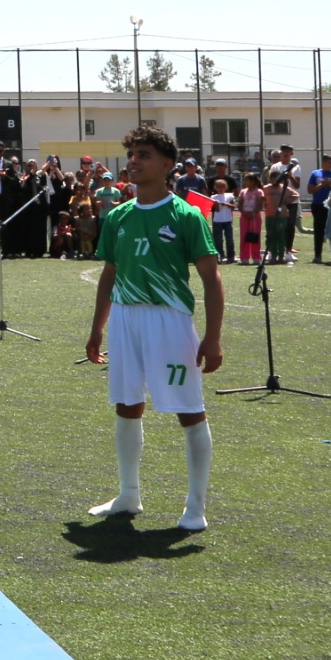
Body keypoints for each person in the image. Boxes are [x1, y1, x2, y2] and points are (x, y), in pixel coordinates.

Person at [83, 124, 226, 532]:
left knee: (188, 411)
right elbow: (109, 275)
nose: (134, 162)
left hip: (169, 321)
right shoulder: (119, 215)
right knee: (126, 405)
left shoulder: (185, 215)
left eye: (144, 155)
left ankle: (195, 508)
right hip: (126, 319)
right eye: (132, 155)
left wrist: (212, 337)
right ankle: (129, 494)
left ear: (167, 165)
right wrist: (97, 329)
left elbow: (211, 279)